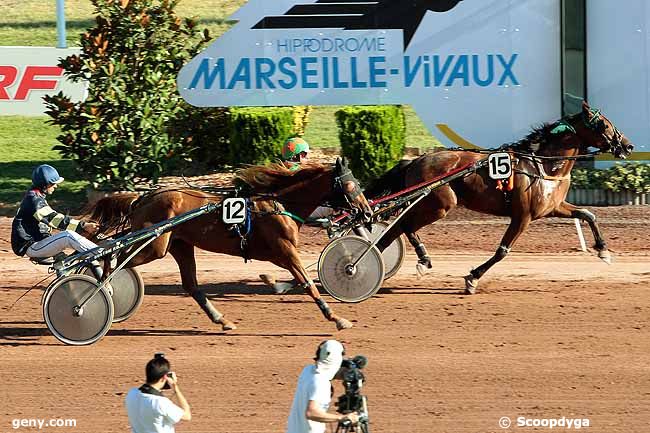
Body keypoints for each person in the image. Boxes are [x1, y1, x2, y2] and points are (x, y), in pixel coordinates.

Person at [11, 164, 100, 260]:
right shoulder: (34, 200)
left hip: (38, 242)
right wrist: (83, 226)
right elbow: (54, 219)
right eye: (54, 183)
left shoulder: (35, 196)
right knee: (68, 236)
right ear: (45, 184)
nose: (56, 186)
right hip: (32, 246)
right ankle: (101, 254)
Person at [285, 340, 359, 433]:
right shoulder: (322, 383)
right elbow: (311, 413)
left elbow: (323, 372)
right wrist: (343, 418)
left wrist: (343, 371)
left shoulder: (307, 370)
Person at [125, 353, 191, 433]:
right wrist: (175, 387)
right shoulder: (160, 403)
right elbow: (187, 415)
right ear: (164, 377)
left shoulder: (131, 394)